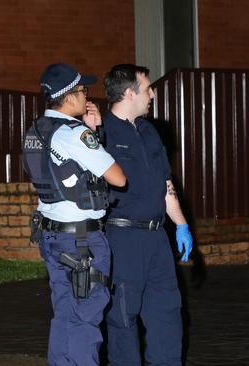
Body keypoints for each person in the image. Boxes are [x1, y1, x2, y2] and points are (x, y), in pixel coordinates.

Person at [21, 63, 126, 366]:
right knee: (85, 318)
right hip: (81, 240)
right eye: (83, 91)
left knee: (65, 313)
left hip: (52, 236)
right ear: (68, 96)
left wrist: (90, 131)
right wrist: (92, 134)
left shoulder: (37, 129)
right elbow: (118, 177)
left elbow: (62, 171)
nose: (86, 96)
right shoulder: (74, 133)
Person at [100, 64, 194, 366]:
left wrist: (181, 224)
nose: (152, 93)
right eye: (148, 88)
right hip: (122, 238)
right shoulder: (101, 132)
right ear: (130, 93)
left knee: (168, 313)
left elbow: (166, 183)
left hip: (157, 239)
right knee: (123, 318)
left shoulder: (149, 131)